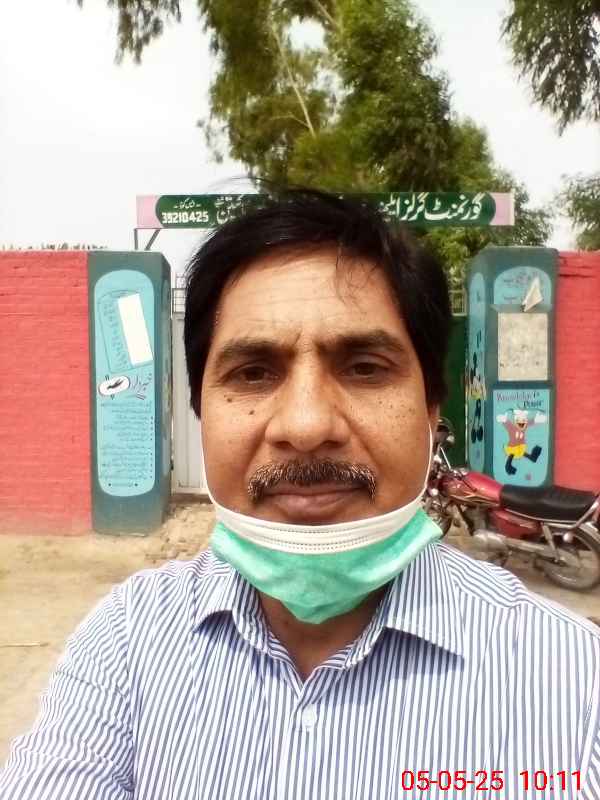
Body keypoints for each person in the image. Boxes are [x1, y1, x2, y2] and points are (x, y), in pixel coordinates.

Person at [1, 188, 599, 799]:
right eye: (253, 373)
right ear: (201, 413)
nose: (307, 426)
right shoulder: (128, 641)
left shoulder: (574, 687)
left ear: (429, 410)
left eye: (364, 367)